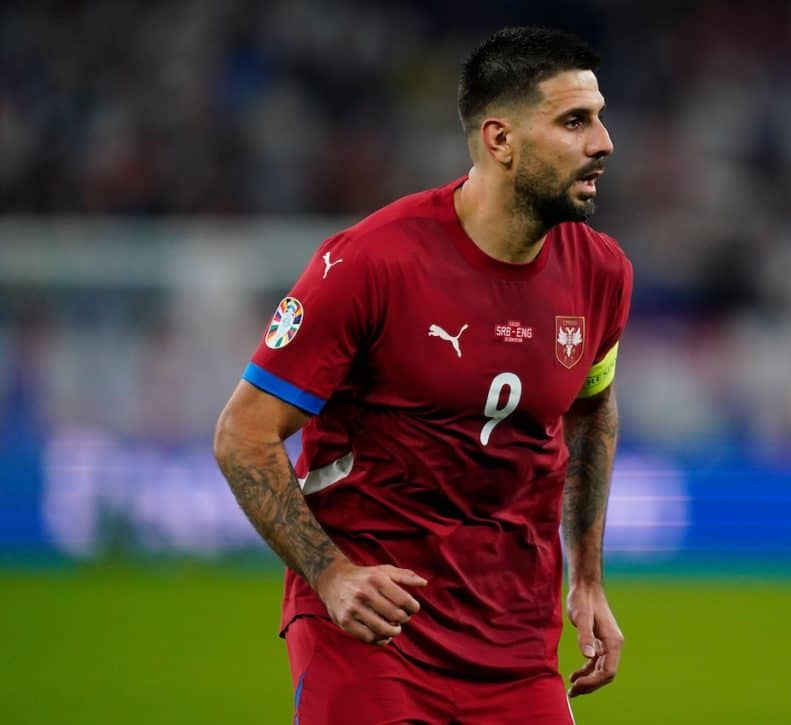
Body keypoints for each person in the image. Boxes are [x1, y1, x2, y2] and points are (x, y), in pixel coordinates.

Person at [213, 25, 632, 724]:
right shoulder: (370, 263)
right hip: (372, 630)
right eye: (574, 121)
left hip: (516, 636)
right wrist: (330, 574)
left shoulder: (602, 272)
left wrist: (587, 578)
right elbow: (243, 434)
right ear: (500, 140)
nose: (604, 142)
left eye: (600, 117)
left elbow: (592, 411)